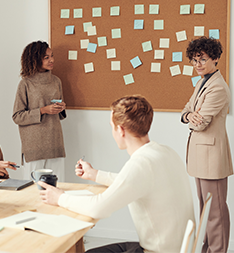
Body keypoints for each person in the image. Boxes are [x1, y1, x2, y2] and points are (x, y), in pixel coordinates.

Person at [39, 95, 195, 253]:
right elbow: (133, 183)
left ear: (120, 130)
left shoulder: (141, 164)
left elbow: (98, 208)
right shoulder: (164, 152)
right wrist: (95, 174)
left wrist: (60, 198)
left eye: (111, 126)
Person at [181, 36, 233, 253]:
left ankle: (217, 250)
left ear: (215, 58)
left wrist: (192, 117)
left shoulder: (218, 87)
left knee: (216, 213)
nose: (197, 65)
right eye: (194, 60)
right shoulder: (203, 82)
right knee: (206, 210)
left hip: (212, 158)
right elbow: (186, 110)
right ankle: (207, 249)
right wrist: (189, 116)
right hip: (200, 157)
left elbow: (201, 124)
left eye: (201, 59)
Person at [12, 41, 66, 181]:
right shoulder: (25, 83)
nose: (52, 60)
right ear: (34, 59)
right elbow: (17, 116)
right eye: (46, 57)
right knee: (32, 190)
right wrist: (42, 110)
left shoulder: (56, 81)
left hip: (55, 143)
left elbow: (59, 114)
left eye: (52, 56)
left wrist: (60, 108)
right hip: (34, 147)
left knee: (58, 187)